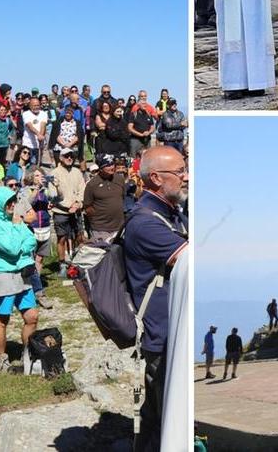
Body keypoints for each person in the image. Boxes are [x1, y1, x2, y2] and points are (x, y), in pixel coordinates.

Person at [122, 146, 188, 452]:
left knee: (157, 419)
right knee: (168, 422)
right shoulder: (146, 224)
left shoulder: (166, 215)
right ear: (157, 178)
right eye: (180, 172)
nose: (186, 177)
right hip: (163, 339)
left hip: (166, 335)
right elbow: (189, 260)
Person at [0, 185, 39, 374]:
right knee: (3, 318)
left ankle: (29, 353)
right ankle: (2, 358)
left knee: (32, 316)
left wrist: (19, 237)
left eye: (13, 201)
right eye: (8, 202)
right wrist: (17, 229)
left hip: (22, 273)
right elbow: (12, 249)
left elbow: (31, 240)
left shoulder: (15, 220)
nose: (12, 205)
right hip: (3, 275)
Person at [50, 148, 85, 263]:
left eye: (71, 156)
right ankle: (62, 264)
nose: (69, 158)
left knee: (79, 236)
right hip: (61, 212)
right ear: (60, 158)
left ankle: (76, 261)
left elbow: (82, 189)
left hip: (76, 209)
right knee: (62, 238)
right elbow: (53, 194)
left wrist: (78, 203)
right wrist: (67, 206)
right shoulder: (54, 173)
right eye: (66, 156)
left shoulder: (77, 172)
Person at [83, 153, 126, 242]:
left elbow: (123, 197)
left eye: (112, 164)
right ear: (101, 168)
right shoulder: (92, 184)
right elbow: (87, 206)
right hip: (100, 228)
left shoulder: (120, 179)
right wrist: (97, 218)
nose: (112, 167)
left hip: (119, 227)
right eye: (108, 165)